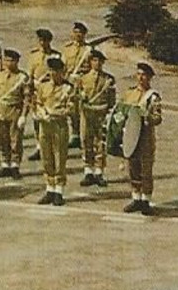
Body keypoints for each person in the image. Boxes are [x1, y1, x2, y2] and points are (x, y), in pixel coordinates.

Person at [33, 57, 76, 205]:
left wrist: (54, 114)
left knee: (59, 158)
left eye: (56, 71)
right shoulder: (43, 86)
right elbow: (38, 103)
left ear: (62, 72)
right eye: (50, 70)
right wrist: (41, 113)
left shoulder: (68, 88)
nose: (52, 73)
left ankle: (59, 190)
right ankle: (49, 188)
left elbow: (70, 108)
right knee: (46, 157)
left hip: (59, 125)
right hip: (45, 125)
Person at [121, 62, 163, 214]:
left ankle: (146, 200)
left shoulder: (153, 97)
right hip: (131, 135)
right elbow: (122, 111)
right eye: (138, 74)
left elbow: (158, 118)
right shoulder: (129, 93)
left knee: (146, 169)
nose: (140, 78)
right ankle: (136, 197)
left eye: (144, 75)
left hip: (145, 137)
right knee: (133, 167)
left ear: (150, 78)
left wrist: (148, 117)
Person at [75, 49, 116, 187]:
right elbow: (76, 96)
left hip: (101, 113)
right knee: (86, 140)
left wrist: (108, 113)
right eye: (94, 60)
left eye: (99, 61)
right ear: (90, 62)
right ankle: (88, 170)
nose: (97, 63)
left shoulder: (108, 79)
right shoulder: (82, 78)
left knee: (100, 142)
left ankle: (99, 171)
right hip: (87, 113)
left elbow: (111, 100)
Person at [0, 49, 31, 179]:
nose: (8, 63)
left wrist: (24, 115)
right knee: (2, 139)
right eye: (6, 60)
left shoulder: (22, 78)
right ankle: (5, 163)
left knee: (15, 140)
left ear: (17, 62)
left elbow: (27, 98)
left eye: (11, 60)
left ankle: (15, 165)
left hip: (14, 111)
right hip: (0, 111)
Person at [24, 29, 60, 162]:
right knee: (37, 120)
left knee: (51, 118)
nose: (42, 43)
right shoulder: (34, 56)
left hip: (50, 90)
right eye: (40, 40)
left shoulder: (56, 56)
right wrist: (29, 89)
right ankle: (39, 146)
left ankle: (51, 145)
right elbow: (30, 75)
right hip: (37, 91)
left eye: (45, 40)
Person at [61, 22, 93, 151]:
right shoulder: (67, 49)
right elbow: (63, 66)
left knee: (83, 109)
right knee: (71, 109)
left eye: (80, 32)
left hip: (83, 81)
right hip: (70, 81)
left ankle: (83, 135)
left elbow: (93, 67)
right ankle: (74, 134)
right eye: (75, 32)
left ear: (84, 34)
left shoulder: (89, 50)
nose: (77, 35)